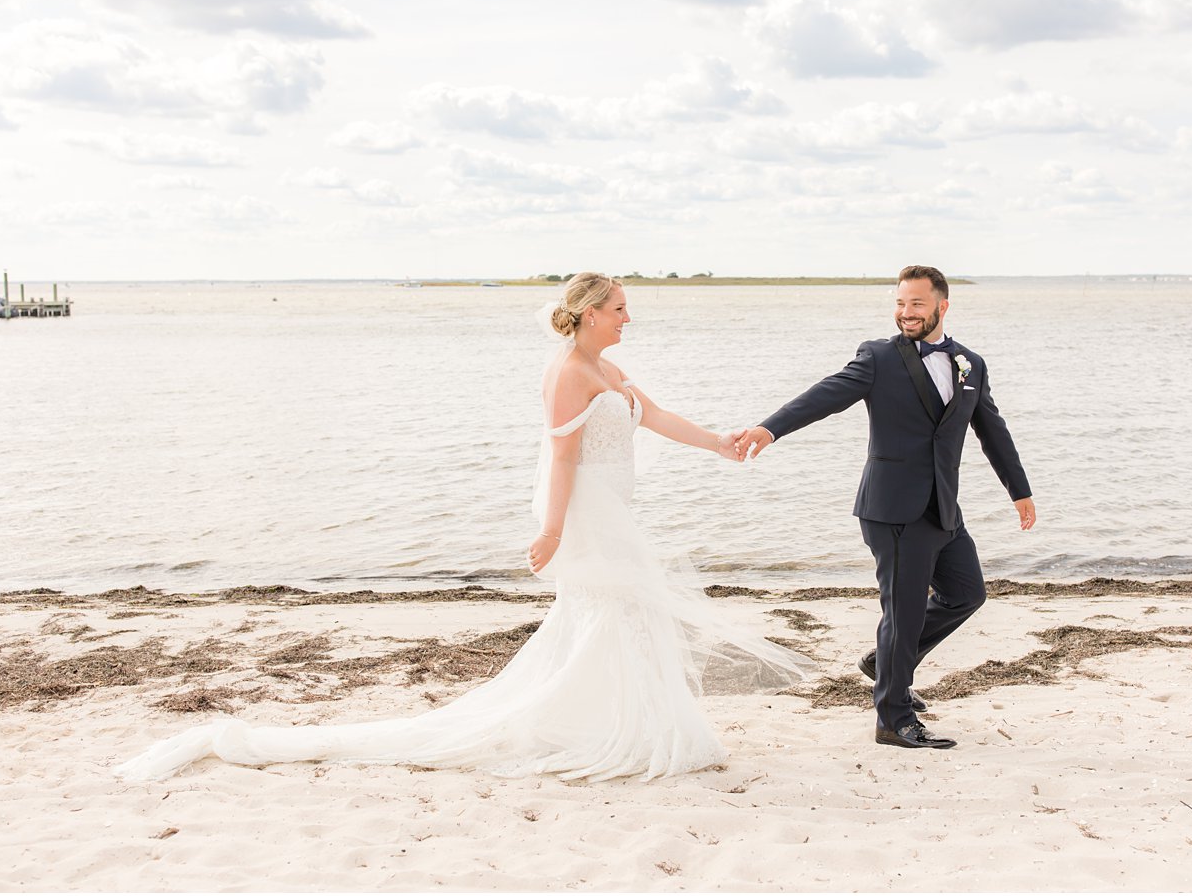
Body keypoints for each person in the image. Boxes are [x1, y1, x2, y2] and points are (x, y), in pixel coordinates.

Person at [116, 272, 809, 783]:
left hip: (616, 508)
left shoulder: (607, 365)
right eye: (622, 307)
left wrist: (720, 442)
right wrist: (552, 530)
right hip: (590, 512)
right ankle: (616, 728)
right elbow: (563, 455)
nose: (630, 316)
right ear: (593, 313)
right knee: (614, 611)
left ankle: (624, 720)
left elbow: (653, 417)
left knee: (619, 615)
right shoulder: (568, 373)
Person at [735, 265, 1034, 750]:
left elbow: (992, 430)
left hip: (943, 507)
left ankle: (884, 663)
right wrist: (770, 429)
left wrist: (1019, 491)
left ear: (942, 305)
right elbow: (825, 395)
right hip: (893, 507)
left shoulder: (969, 365)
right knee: (904, 612)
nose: (905, 312)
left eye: (916, 303)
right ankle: (893, 719)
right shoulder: (877, 357)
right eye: (899, 303)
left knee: (967, 593)